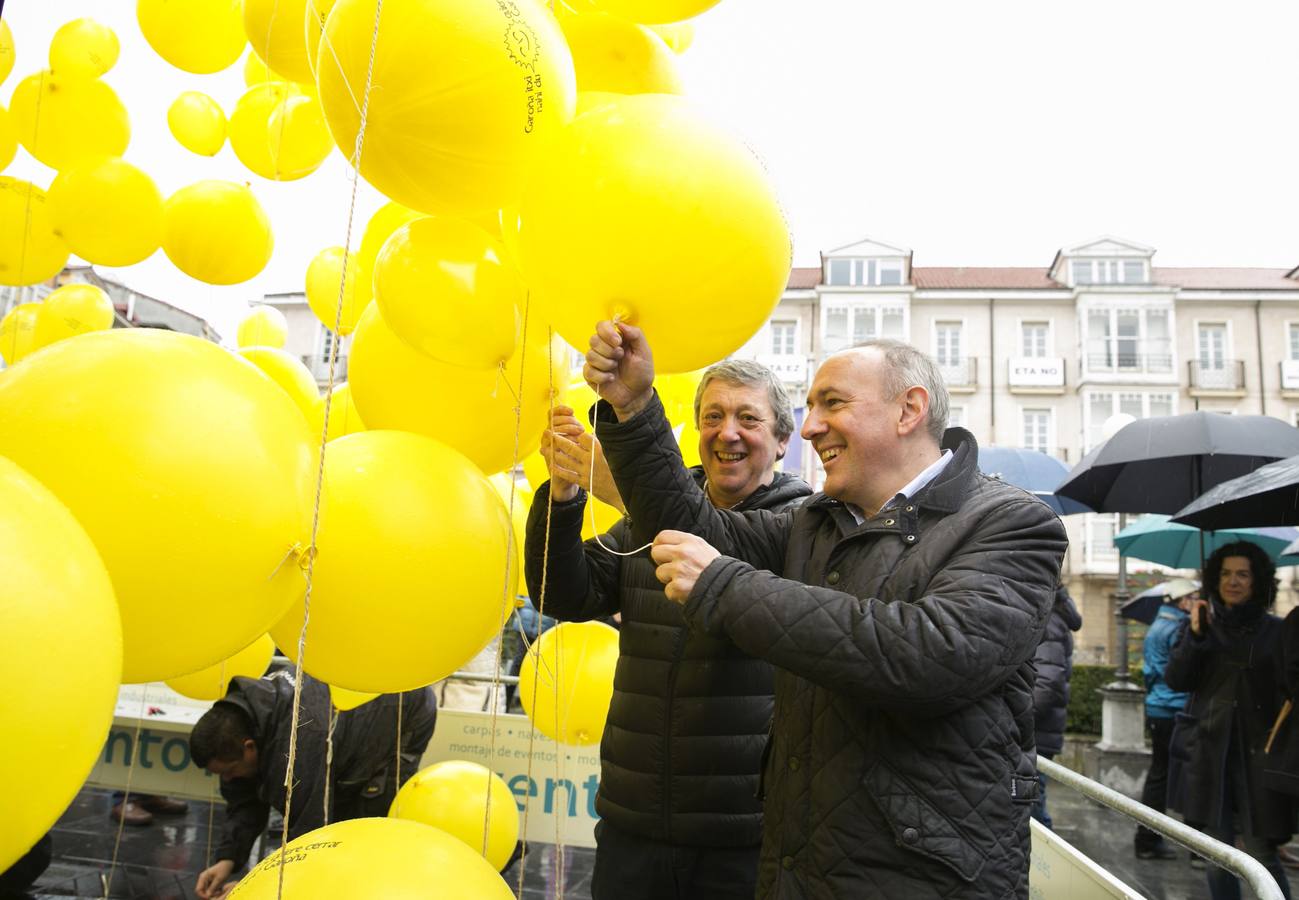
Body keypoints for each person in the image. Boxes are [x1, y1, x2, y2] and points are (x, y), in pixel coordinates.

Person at [583, 321, 1068, 899]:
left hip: (922, 878)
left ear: (909, 410)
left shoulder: (1010, 523)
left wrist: (724, 587)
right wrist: (635, 406)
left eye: (831, 403)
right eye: (810, 407)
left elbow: (931, 655)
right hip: (799, 866)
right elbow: (694, 528)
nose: (810, 427)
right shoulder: (816, 520)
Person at [525, 358, 812, 900]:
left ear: (780, 441)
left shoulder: (801, 521)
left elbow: (714, 537)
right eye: (713, 416)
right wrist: (563, 498)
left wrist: (624, 484)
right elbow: (561, 592)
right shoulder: (648, 515)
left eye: (748, 419)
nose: (727, 432)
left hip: (741, 833)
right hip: (632, 820)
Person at [188, 671, 436, 899]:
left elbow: (308, 830)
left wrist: (254, 885)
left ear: (249, 747)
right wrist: (227, 859)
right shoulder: (240, 722)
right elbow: (245, 799)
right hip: (341, 716)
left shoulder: (299, 741)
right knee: (333, 815)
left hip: (405, 706)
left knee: (362, 823)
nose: (228, 779)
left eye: (230, 771)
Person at [1166, 542, 1292, 899]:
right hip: (1209, 753)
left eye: (1242, 574)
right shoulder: (1202, 625)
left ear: (1257, 581)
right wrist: (1195, 636)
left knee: (1261, 853)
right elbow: (1177, 679)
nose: (1232, 581)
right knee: (1216, 854)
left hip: (1260, 756)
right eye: (1225, 573)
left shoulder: (1276, 631)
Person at [1134, 578, 1197, 860]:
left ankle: (1147, 838)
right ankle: (1191, 846)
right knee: (1181, 777)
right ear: (1184, 601)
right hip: (1174, 708)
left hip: (1158, 707)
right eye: (1194, 597)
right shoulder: (1179, 628)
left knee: (1158, 775)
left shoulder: (1157, 626)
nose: (1197, 602)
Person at [1031, 583, 1082, 830]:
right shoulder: (1050, 612)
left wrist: (1015, 718)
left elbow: (1046, 683)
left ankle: (1042, 866)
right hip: (1041, 731)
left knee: (1033, 810)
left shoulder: (1047, 617)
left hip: (1035, 733)